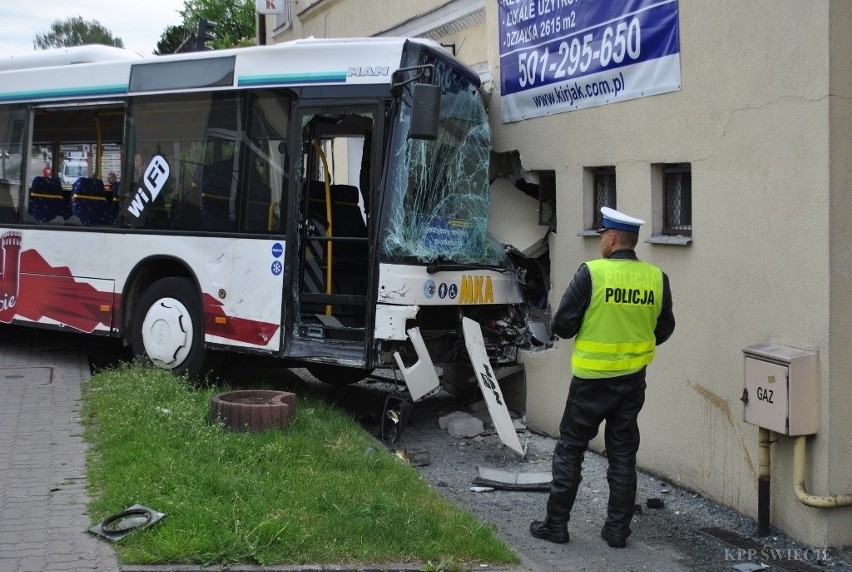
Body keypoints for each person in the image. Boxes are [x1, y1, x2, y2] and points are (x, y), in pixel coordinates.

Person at [530, 206, 675, 548]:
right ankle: (616, 532)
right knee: (623, 454)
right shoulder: (656, 278)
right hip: (632, 382)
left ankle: (556, 526)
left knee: (570, 450)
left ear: (611, 239)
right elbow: (665, 328)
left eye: (601, 237)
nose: (600, 242)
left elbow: (562, 326)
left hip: (591, 381)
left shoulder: (591, 274)